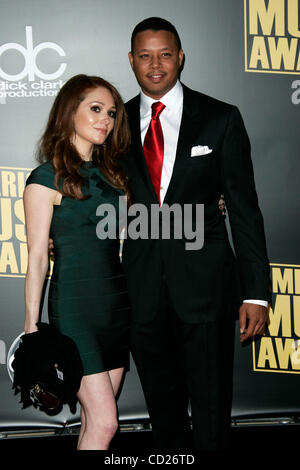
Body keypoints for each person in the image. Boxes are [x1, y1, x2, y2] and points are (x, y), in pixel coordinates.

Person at [121, 17, 270, 450]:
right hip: (142, 290)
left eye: (164, 54)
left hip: (207, 289)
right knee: (162, 413)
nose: (155, 65)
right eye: (145, 56)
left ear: (180, 57)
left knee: (211, 410)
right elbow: (97, 198)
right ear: (131, 60)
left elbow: (244, 209)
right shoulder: (115, 124)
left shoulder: (221, 118)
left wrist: (256, 293)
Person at [23, 74, 131, 450]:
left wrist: (208, 209)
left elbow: (148, 226)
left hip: (117, 307)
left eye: (112, 113)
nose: (106, 120)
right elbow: (37, 258)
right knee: (105, 424)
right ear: (70, 112)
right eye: (96, 109)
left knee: (92, 423)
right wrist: (31, 327)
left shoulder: (116, 177)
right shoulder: (44, 178)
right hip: (75, 310)